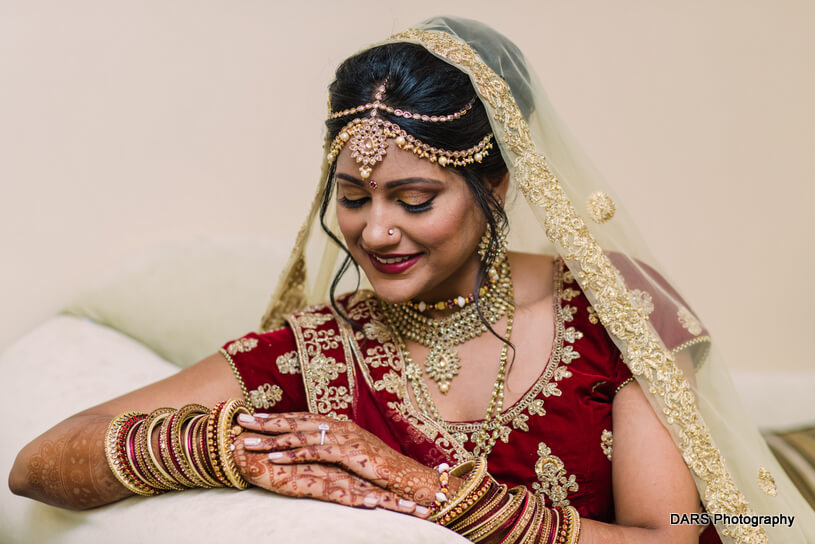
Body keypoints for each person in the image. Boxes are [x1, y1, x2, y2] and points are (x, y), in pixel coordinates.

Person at [8, 16, 814, 544]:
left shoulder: (617, 306)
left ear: (496, 185)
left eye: (414, 198)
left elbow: (669, 535)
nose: (374, 230)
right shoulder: (316, 354)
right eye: (352, 198)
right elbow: (40, 462)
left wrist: (433, 493)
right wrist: (234, 450)